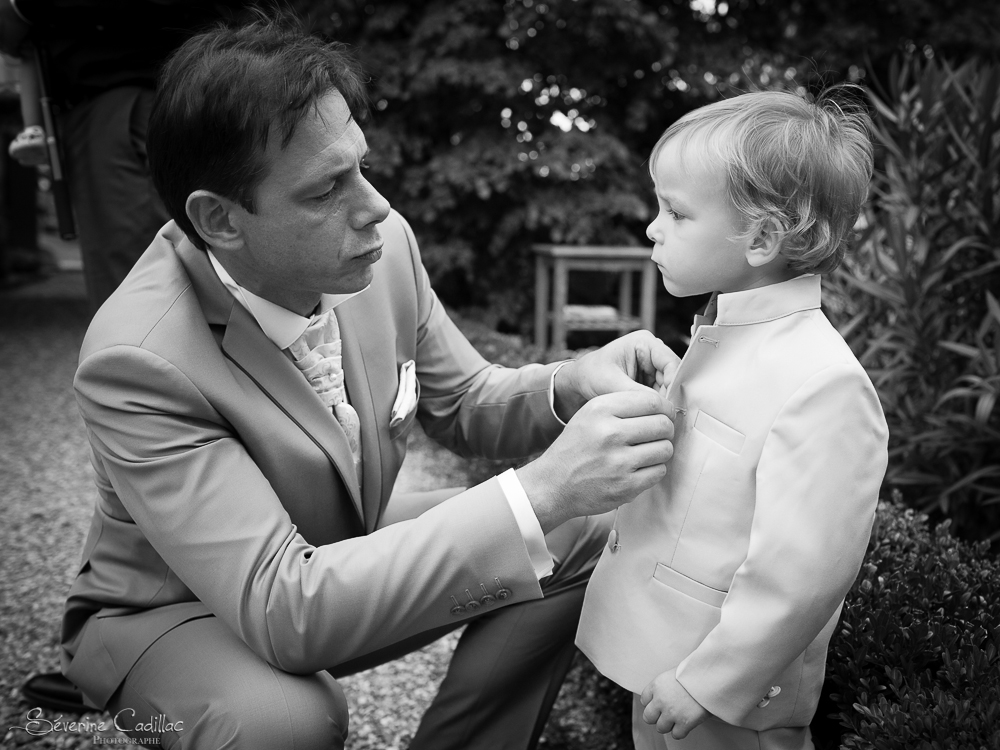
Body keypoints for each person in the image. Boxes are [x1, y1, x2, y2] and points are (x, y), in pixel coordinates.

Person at [60, 15, 680, 750]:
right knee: (282, 726)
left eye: (360, 165)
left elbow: (463, 400)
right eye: (327, 188)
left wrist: (568, 384)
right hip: (172, 612)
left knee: (582, 529)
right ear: (219, 220)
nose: (376, 205)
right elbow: (284, 609)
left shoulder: (379, 249)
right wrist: (544, 489)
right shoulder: (138, 359)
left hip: (332, 551)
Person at [575, 89, 890, 750]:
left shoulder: (824, 383)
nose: (653, 228)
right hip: (661, 664)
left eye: (676, 212)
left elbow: (801, 577)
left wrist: (708, 683)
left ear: (763, 238)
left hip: (727, 703)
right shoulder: (725, 335)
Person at [0, 0, 247, 312]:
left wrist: (25, 7)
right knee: (159, 279)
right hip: (144, 94)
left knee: (140, 290)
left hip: (132, 98)